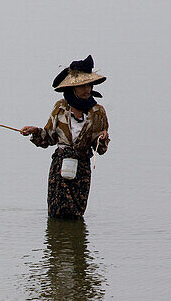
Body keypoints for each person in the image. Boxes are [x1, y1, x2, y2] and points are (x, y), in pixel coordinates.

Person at [20, 55, 111, 218]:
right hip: (60, 166)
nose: (87, 89)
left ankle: (75, 242)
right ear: (72, 88)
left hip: (82, 168)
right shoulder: (61, 108)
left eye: (89, 85)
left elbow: (100, 149)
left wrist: (102, 139)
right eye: (82, 85)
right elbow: (48, 137)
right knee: (57, 213)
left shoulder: (98, 112)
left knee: (76, 214)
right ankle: (58, 242)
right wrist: (34, 131)